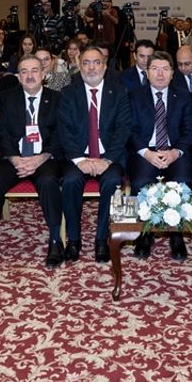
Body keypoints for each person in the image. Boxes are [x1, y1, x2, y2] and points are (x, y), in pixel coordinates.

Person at [0, 54, 67, 268]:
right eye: (24, 72)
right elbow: (0, 132)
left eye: (34, 70)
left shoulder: (57, 98)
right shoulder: (6, 98)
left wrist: (41, 157)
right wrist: (14, 158)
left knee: (48, 182)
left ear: (43, 74)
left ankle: (55, 239)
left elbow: (61, 134)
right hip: (14, 157)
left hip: (45, 157)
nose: (30, 76)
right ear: (18, 77)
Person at [57, 44, 132, 263]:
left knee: (112, 182)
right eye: (86, 63)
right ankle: (74, 239)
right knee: (70, 181)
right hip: (78, 156)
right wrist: (80, 160)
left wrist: (107, 160)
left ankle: (101, 240)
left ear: (105, 66)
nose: (91, 68)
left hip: (110, 156)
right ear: (79, 66)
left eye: (96, 63)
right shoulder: (68, 93)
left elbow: (123, 129)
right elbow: (64, 130)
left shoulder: (119, 92)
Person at [126, 50, 192, 261]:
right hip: (145, 151)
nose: (160, 74)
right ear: (147, 72)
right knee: (141, 181)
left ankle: (177, 234)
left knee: (182, 180)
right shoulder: (134, 96)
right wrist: (147, 154)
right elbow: (130, 130)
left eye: (165, 69)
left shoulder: (183, 96)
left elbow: (189, 130)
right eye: (155, 69)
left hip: (174, 150)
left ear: (173, 73)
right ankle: (145, 234)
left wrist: (175, 152)